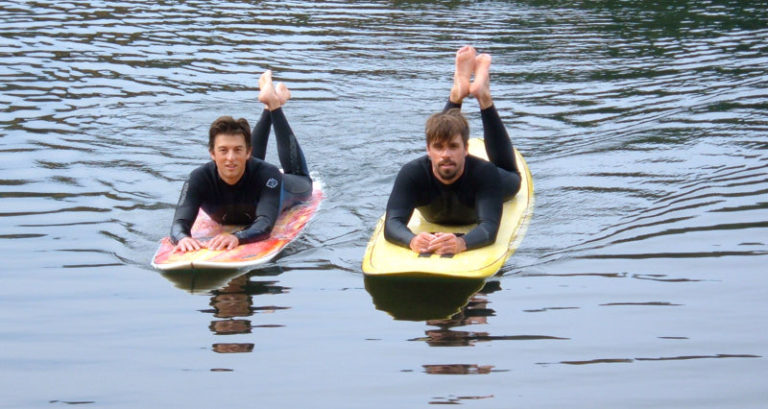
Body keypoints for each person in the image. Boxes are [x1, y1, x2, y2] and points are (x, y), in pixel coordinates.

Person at [384, 46, 521, 255]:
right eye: (438, 148)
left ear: (466, 149)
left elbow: (489, 228)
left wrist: (462, 243)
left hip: (489, 181)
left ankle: (484, 98)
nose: (446, 154)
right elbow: (392, 223)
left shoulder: (485, 174)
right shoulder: (412, 174)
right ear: (428, 150)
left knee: (514, 180)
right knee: (444, 130)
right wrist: (411, 240)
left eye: (454, 147)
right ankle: (457, 92)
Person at [170, 70, 312, 253]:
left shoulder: (269, 176)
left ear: (249, 153)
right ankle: (270, 104)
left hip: (282, 189)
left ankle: (275, 107)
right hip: (252, 175)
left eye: (238, 150)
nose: (230, 157)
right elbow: (179, 223)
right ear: (212, 153)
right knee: (243, 162)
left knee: (303, 181)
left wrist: (238, 237)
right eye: (223, 150)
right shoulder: (198, 178)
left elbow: (265, 224)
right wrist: (182, 238)